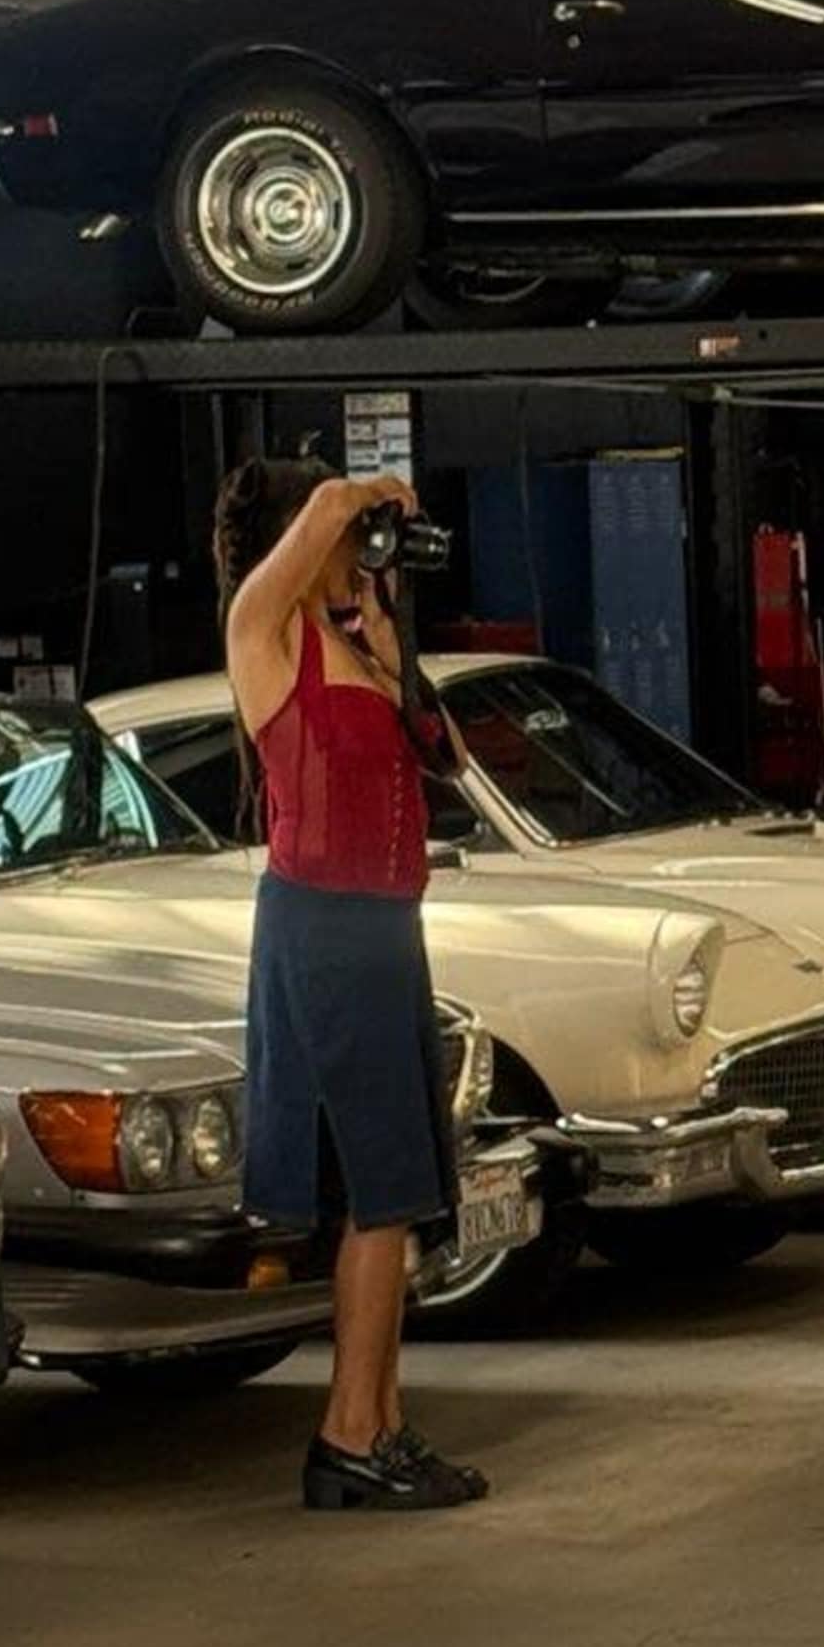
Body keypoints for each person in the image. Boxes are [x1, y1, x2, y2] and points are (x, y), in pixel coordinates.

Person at [212, 455, 489, 1512]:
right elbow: (316, 519)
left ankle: (380, 1419)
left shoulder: (354, 648)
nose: (362, 555)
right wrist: (367, 492)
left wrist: (388, 646)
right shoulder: (264, 635)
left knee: (402, 1194)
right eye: (345, 541)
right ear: (307, 540)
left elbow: (449, 756)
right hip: (323, 931)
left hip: (383, 930)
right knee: (377, 1191)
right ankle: (348, 1432)